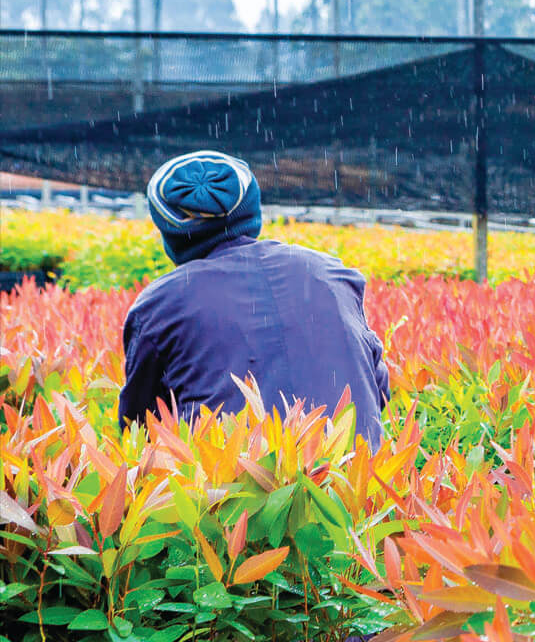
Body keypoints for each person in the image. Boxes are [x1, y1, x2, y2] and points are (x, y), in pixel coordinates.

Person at [119, 150, 391, 448]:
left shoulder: (160, 304)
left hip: (233, 488)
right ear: (251, 214)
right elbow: (378, 392)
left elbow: (140, 430)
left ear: (170, 233)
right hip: (356, 482)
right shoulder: (332, 275)